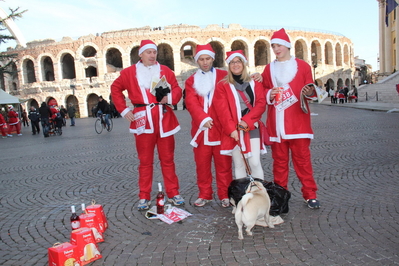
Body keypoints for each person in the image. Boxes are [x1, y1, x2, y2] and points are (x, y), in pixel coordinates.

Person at [111, 39, 184, 210]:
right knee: (145, 162)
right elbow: (115, 89)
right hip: (142, 121)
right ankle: (144, 196)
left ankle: (173, 193)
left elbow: (177, 88)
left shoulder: (164, 70)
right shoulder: (129, 73)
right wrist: (124, 110)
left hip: (164, 119)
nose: (152, 55)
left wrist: (170, 98)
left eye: (154, 52)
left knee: (168, 160)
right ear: (140, 54)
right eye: (148, 52)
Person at [260, 28, 320, 209]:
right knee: (279, 163)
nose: (276, 49)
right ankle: (280, 195)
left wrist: (309, 92)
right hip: (276, 124)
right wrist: (270, 92)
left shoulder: (303, 66)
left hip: (298, 123)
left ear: (287, 46)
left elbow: (311, 89)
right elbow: (262, 90)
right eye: (273, 46)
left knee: (302, 161)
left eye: (279, 45)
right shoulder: (269, 68)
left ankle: (310, 194)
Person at [185, 44, 233, 208]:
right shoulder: (191, 80)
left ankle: (225, 194)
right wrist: (202, 118)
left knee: (224, 165)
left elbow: (241, 84)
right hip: (202, 130)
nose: (205, 62)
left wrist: (255, 75)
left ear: (213, 58)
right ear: (197, 60)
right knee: (202, 165)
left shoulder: (224, 75)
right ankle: (205, 194)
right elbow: (191, 102)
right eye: (201, 59)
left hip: (221, 129)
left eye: (207, 59)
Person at [213, 50, 267, 182]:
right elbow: (222, 110)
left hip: (252, 126)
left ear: (243, 63)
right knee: (239, 164)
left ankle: (259, 196)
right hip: (234, 129)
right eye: (232, 62)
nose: (235, 65)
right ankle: (242, 197)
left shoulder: (255, 82)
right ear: (228, 65)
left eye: (238, 61)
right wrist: (231, 129)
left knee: (254, 162)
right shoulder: (222, 85)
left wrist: (247, 121)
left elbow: (261, 104)